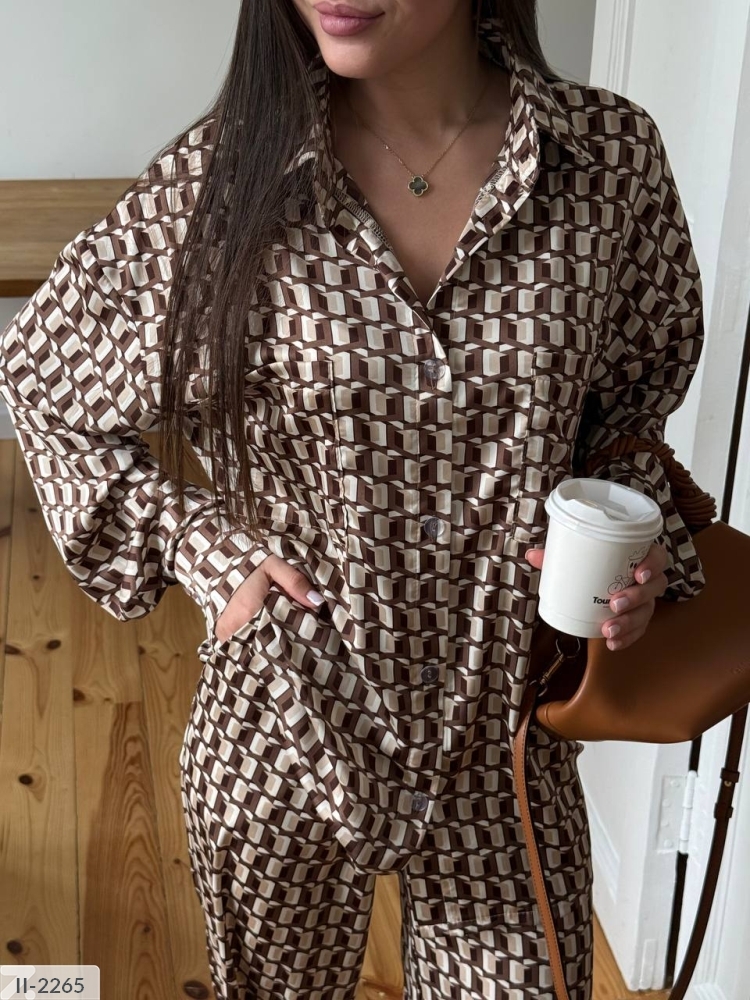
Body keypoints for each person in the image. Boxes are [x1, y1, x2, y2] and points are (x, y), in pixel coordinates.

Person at [0, 1, 707, 997]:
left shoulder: (607, 163)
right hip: (287, 720)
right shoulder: (220, 184)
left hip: (506, 735)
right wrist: (207, 551)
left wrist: (628, 541)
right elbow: (44, 378)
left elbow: (629, 408)